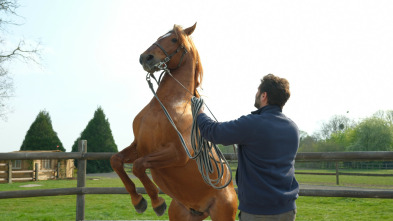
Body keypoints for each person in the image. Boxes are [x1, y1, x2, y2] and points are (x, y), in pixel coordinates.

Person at [197, 74, 299, 221]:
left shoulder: (252, 124)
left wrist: (200, 112)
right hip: (287, 210)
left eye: (258, 91)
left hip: (258, 212)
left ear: (264, 95)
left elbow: (214, 132)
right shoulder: (292, 128)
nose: (256, 94)